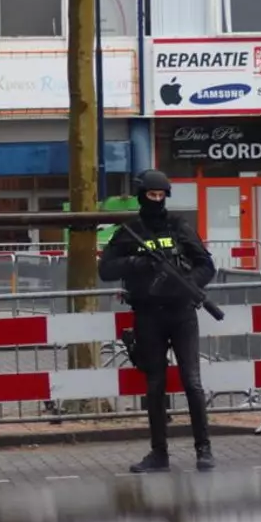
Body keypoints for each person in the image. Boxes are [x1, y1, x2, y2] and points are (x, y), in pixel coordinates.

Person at [98, 169, 217, 474]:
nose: (156, 200)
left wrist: (187, 284)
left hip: (182, 312)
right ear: (142, 196)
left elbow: (206, 265)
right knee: (155, 385)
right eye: (151, 195)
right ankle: (159, 454)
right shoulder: (130, 231)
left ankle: (204, 449)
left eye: (161, 195)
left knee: (192, 382)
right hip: (148, 314)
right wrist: (135, 263)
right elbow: (105, 269)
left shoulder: (178, 226)